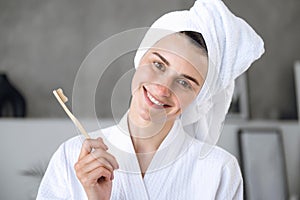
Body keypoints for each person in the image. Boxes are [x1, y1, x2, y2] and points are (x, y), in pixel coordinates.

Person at [37, 0, 264, 199]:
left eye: (185, 82)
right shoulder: (72, 156)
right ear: (140, 57)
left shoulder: (219, 171)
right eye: (158, 64)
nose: (163, 89)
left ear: (199, 97)